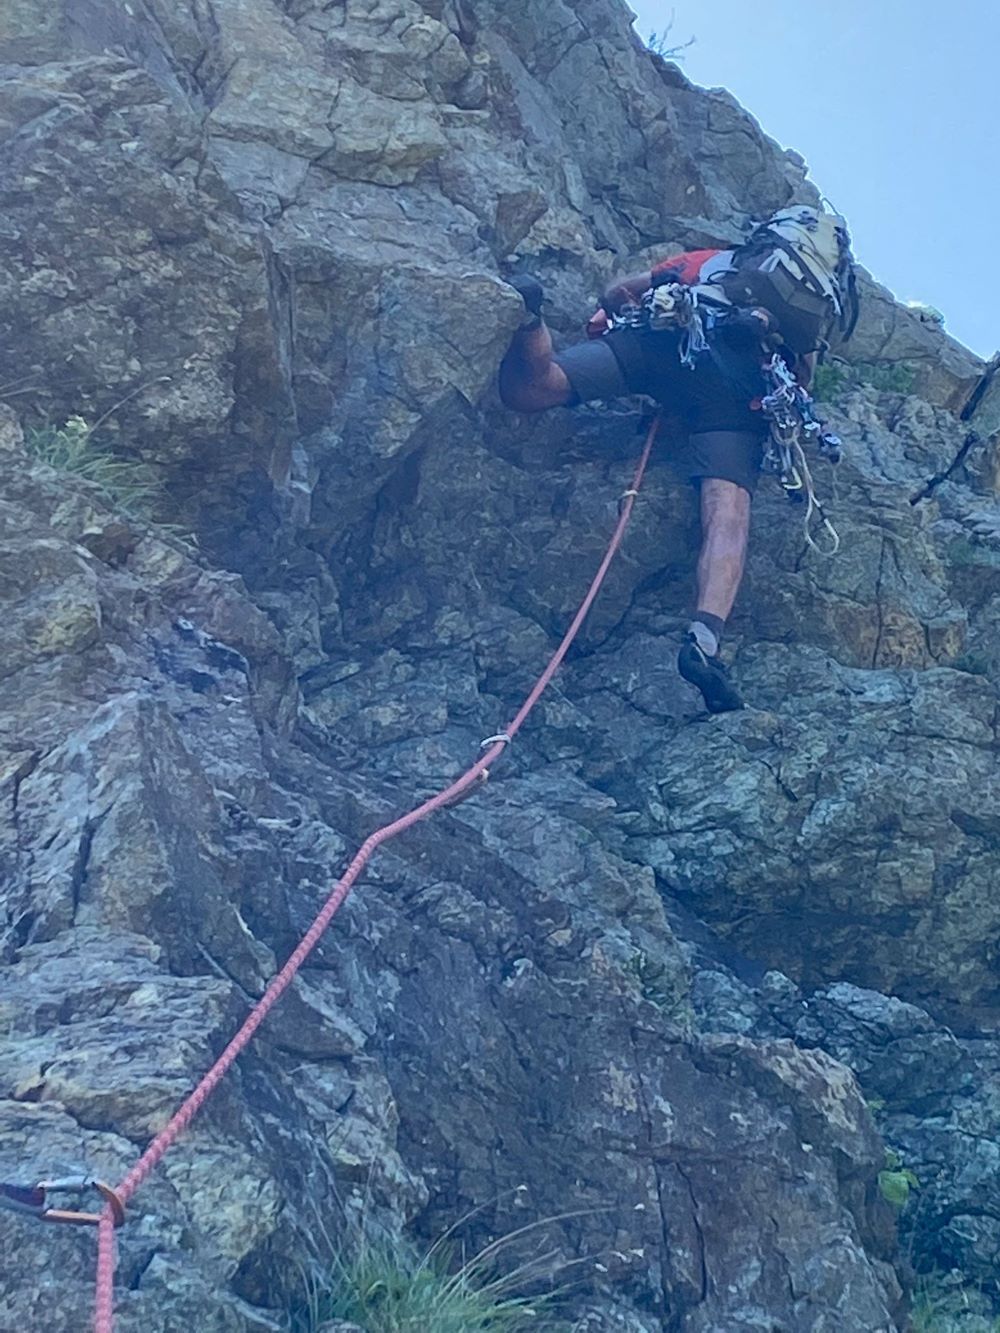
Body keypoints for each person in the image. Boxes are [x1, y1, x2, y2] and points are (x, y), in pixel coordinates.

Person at [498, 253, 816, 714]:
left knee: (537, 387)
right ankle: (704, 640)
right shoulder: (806, 310)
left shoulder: (716, 260)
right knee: (727, 514)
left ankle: (529, 320)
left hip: (665, 341)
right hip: (737, 390)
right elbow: (802, 379)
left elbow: (619, 292)